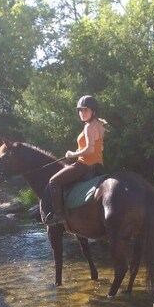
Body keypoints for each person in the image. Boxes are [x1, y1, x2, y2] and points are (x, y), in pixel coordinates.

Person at [42, 95, 106, 225]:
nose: (82, 113)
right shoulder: (99, 125)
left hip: (85, 164)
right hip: (98, 164)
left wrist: (72, 154)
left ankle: (59, 214)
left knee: (53, 181)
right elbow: (101, 148)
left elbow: (89, 150)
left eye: (85, 110)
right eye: (80, 110)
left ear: (93, 111)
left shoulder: (89, 126)